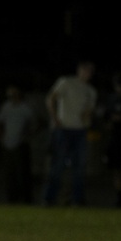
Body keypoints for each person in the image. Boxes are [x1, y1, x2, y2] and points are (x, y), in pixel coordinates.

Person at [43, 60, 98, 206]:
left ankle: (78, 199)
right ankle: (49, 198)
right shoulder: (66, 82)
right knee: (57, 165)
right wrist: (55, 118)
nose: (87, 73)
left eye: (90, 70)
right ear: (79, 70)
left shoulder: (91, 91)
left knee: (79, 167)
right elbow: (51, 98)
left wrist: (88, 117)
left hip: (80, 131)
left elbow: (89, 111)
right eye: (85, 69)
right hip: (63, 129)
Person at [0, 83, 38, 204]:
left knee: (23, 173)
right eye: (9, 95)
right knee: (10, 173)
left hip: (20, 144)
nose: (12, 97)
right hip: (7, 143)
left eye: (14, 94)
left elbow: (36, 122)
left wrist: (28, 134)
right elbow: (0, 122)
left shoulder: (25, 107)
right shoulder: (6, 106)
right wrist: (1, 137)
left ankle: (26, 199)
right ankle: (12, 199)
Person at [103, 71, 121, 208]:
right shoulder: (112, 99)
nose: (120, 88)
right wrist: (108, 123)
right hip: (115, 139)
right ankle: (119, 198)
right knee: (117, 169)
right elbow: (106, 116)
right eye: (118, 85)